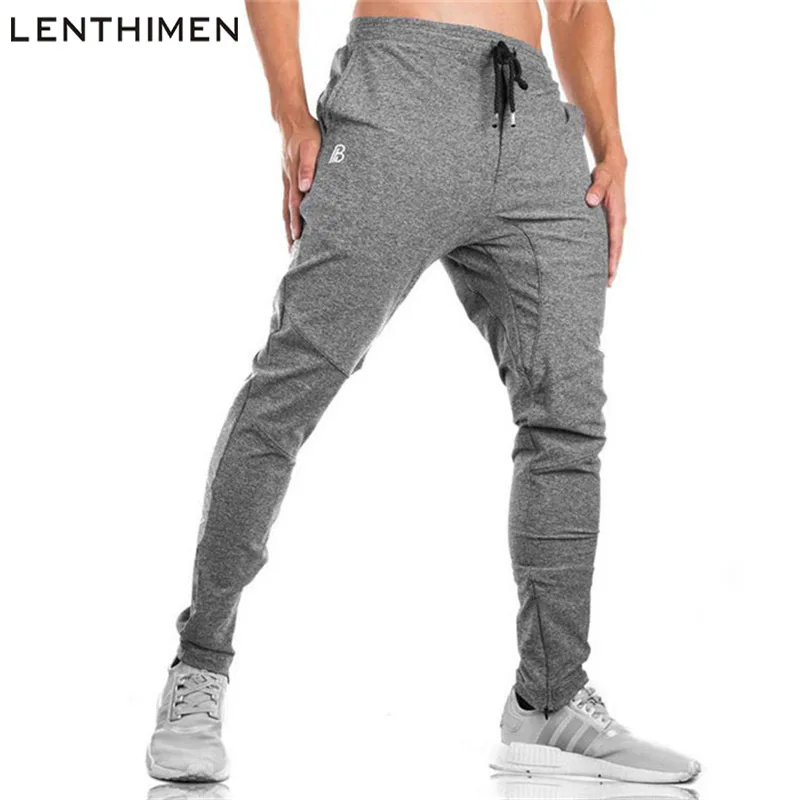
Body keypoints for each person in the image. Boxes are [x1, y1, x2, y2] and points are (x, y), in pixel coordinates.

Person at [146, 0, 700, 785]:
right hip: (395, 98)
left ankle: (549, 699)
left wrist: (610, 147)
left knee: (568, 421)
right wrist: (291, 116)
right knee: (290, 390)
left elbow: (578, 6)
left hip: (536, 126)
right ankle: (199, 667)